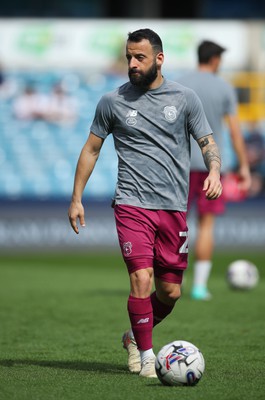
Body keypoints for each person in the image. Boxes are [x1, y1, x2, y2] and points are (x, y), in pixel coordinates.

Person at [68, 29, 222, 379]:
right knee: (141, 278)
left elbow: (207, 141)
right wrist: (76, 197)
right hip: (131, 203)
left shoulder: (185, 98)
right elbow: (91, 149)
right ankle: (147, 357)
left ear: (159, 59)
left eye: (140, 57)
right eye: (128, 57)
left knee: (170, 292)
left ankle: (133, 337)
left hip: (172, 207)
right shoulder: (112, 101)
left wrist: (214, 169)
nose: (133, 64)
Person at [176, 40, 251, 301]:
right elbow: (234, 131)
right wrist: (243, 166)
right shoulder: (224, 87)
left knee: (176, 225)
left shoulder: (180, 84)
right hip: (212, 167)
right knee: (206, 226)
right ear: (216, 59)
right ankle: (199, 287)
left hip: (181, 164)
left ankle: (175, 283)